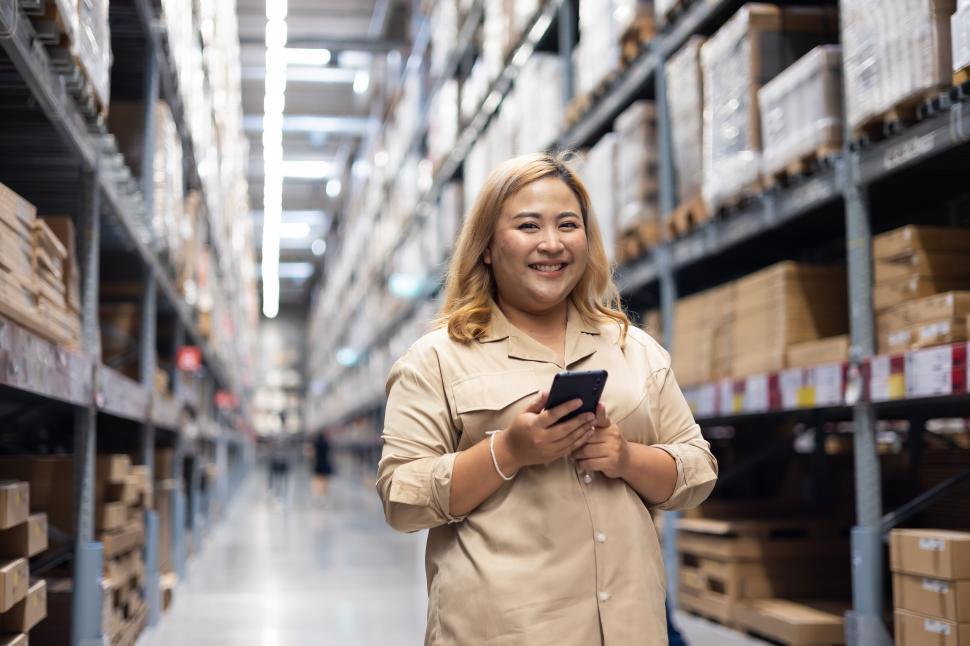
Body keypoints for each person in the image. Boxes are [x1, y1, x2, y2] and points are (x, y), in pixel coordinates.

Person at [376, 152, 718, 645]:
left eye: (568, 225)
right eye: (528, 226)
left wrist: (625, 457)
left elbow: (698, 470)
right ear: (488, 246)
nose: (552, 244)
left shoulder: (632, 348)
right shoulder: (436, 359)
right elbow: (401, 497)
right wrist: (507, 452)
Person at [312, 431, 334, 498]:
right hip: (325, 463)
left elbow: (313, 453)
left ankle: (318, 493)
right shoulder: (326, 444)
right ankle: (324, 493)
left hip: (318, 463)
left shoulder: (316, 444)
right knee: (325, 479)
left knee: (318, 479)